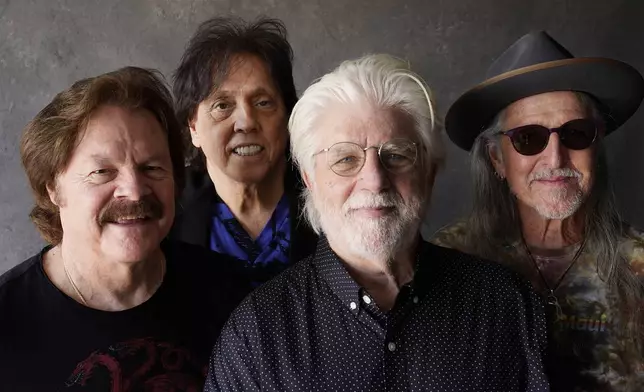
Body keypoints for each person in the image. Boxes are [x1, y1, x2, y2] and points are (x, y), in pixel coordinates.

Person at [205, 54, 550, 391]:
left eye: (397, 156)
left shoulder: (507, 306)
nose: (374, 180)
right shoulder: (256, 336)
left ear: (428, 174)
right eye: (345, 159)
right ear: (310, 179)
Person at [0, 67, 249, 390]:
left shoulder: (233, 297)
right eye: (102, 171)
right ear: (53, 188)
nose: (133, 190)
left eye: (152, 168)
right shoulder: (7, 323)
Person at [432, 31, 644, 391]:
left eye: (576, 133)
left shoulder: (639, 265)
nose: (556, 158)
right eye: (528, 138)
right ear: (497, 159)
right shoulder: (450, 260)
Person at [171, 17, 317, 286]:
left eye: (263, 102)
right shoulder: (165, 214)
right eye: (223, 106)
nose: (247, 121)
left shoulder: (328, 200)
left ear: (288, 117)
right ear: (193, 127)